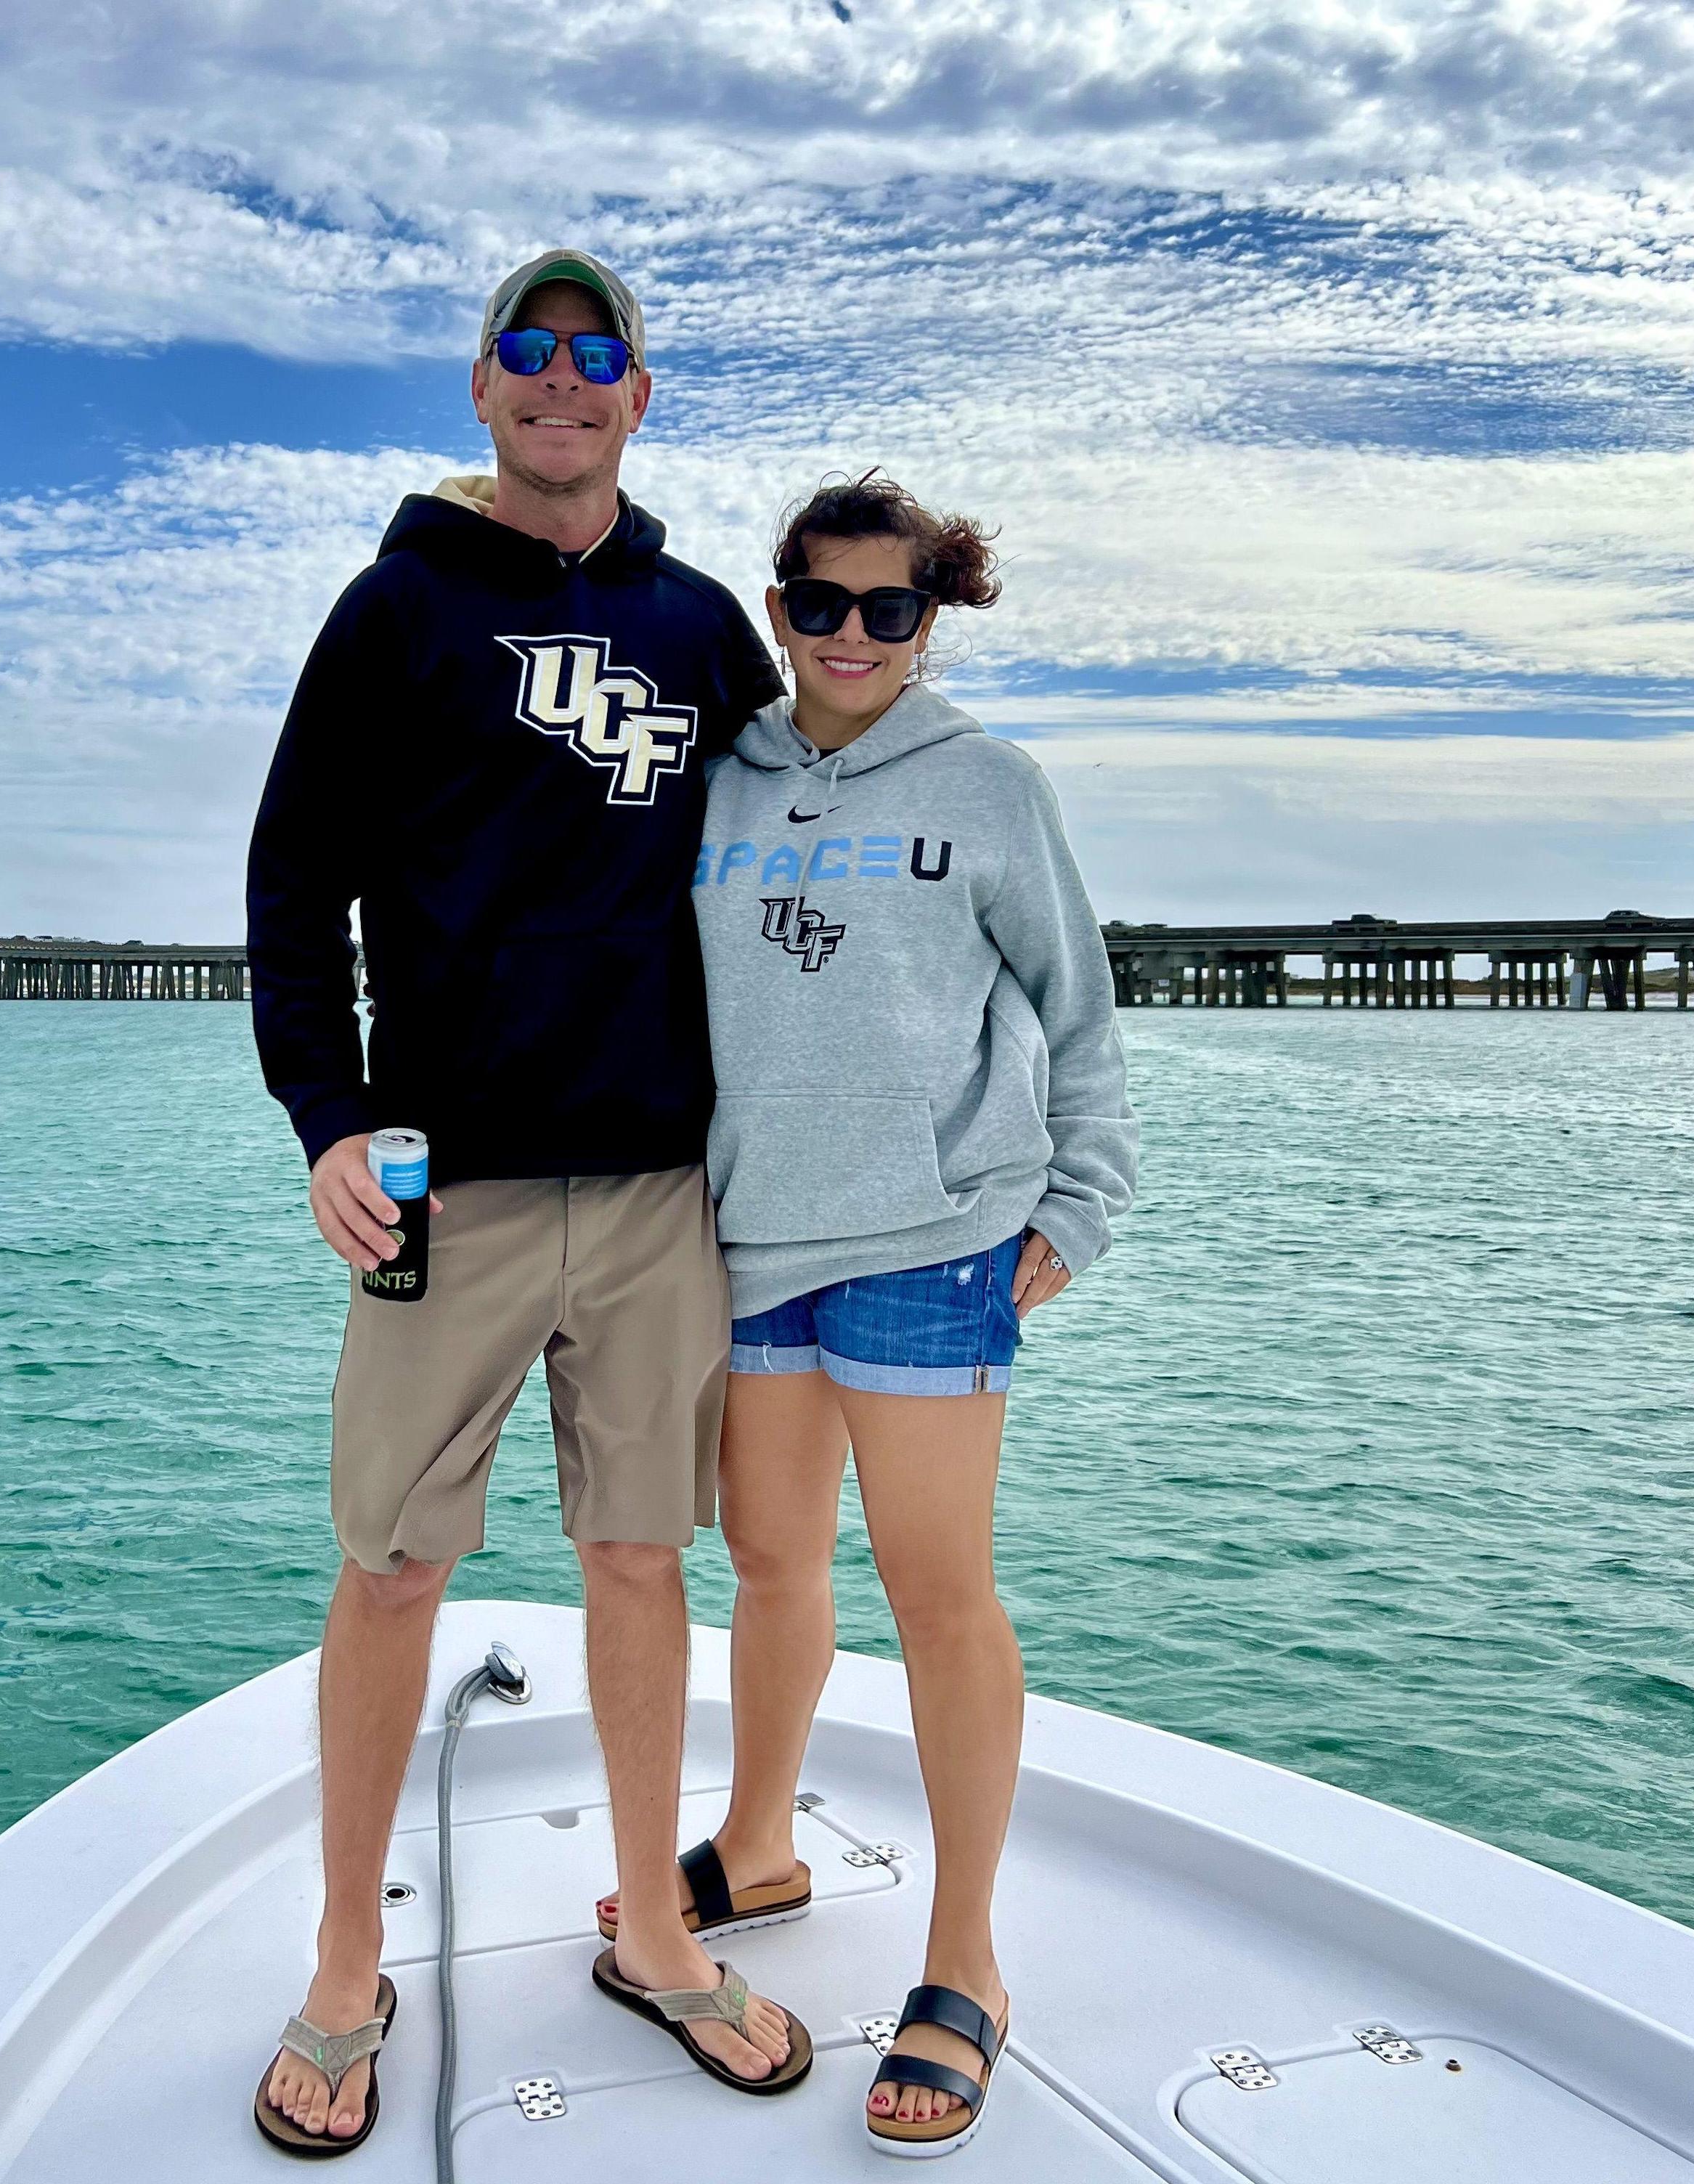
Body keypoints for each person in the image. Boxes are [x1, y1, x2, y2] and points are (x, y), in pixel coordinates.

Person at [243, 249, 811, 2156]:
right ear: (480, 387)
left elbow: (806, 842)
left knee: (643, 1559)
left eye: (597, 353)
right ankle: (346, 1966)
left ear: (640, 395)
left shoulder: (701, 625)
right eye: (527, 349)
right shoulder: (395, 609)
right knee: (395, 1564)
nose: (562, 378)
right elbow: (292, 883)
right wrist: (327, 1117)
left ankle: (653, 1930)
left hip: (661, 1190)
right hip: (449, 1185)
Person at [598, 473, 1139, 2156]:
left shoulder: (990, 786)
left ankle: (963, 1959)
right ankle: (759, 1845)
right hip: (755, 1235)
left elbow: (1075, 1004)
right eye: (819, 603)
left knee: (937, 1594)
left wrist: (1081, 1198)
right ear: (778, 610)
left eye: (886, 609)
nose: (849, 634)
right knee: (769, 1561)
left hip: (932, 1235)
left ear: (928, 620)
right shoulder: (722, 775)